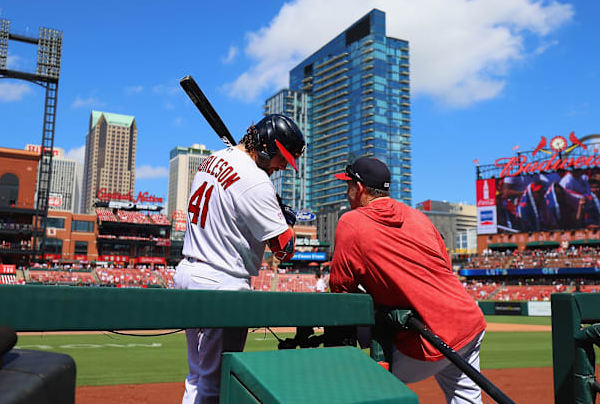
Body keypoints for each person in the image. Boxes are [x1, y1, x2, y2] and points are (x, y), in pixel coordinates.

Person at [329, 157, 487, 403]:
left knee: (359, 381)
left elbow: (340, 290)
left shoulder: (352, 221)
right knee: (466, 399)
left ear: (358, 188)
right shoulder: (419, 217)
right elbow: (445, 267)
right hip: (468, 322)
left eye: (347, 186)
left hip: (429, 338)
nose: (346, 193)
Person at [173, 114, 305, 404]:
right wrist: (285, 221)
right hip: (222, 282)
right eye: (281, 158)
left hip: (189, 273)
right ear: (268, 147)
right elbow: (285, 250)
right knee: (215, 383)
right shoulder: (256, 181)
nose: (282, 166)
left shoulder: (213, 158)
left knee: (197, 377)